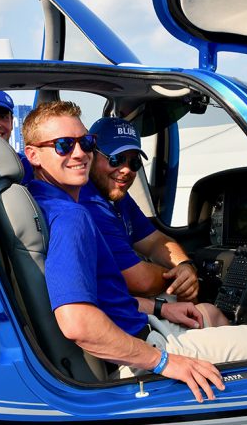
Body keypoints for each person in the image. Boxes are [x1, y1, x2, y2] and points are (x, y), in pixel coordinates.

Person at [23, 101, 247, 402]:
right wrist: (164, 362)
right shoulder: (73, 216)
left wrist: (161, 307)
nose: (79, 153)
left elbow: (103, 294)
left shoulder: (45, 201)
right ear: (33, 155)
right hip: (138, 353)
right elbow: (78, 322)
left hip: (138, 327)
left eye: (86, 143)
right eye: (64, 145)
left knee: (211, 314)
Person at [81, 117, 199, 302]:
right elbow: (141, 281)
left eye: (134, 162)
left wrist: (185, 265)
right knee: (206, 311)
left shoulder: (118, 198)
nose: (126, 170)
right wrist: (179, 280)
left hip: (124, 301)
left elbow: (155, 241)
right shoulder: (88, 203)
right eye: (116, 159)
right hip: (106, 307)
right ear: (91, 155)